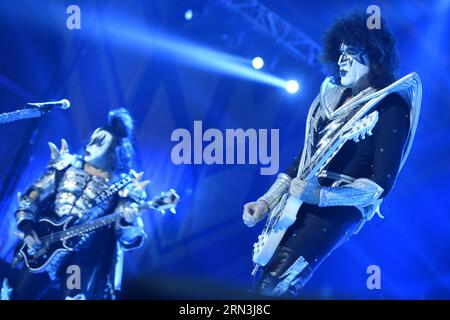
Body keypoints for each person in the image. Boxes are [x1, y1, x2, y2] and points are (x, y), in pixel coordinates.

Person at [242, 11, 422, 297]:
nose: (342, 60)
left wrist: (321, 196)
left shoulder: (391, 107)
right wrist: (265, 201)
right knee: (260, 282)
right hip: (294, 203)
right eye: (340, 53)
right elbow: (301, 161)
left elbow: (380, 186)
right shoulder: (329, 101)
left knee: (276, 284)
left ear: (375, 56)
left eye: (351, 53)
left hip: (336, 210)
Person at [12, 108, 147, 299]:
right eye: (92, 139)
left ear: (114, 152)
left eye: (99, 142)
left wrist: (129, 222)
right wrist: (27, 227)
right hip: (44, 247)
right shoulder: (66, 167)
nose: (90, 145)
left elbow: (127, 237)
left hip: (81, 258)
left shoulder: (124, 186)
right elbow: (33, 196)